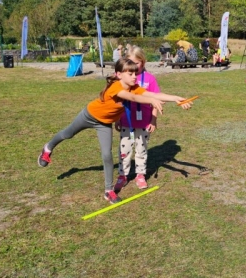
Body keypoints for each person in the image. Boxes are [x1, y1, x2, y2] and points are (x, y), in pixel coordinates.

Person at [37, 58, 194, 204]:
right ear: (119, 74)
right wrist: (152, 101)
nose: (134, 76)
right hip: (89, 115)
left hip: (104, 124)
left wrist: (176, 98)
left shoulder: (134, 87)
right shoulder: (116, 87)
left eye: (135, 73)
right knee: (68, 134)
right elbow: (133, 98)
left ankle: (108, 191)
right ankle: (47, 148)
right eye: (130, 73)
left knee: (107, 155)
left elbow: (152, 94)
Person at [113, 47, 161, 192]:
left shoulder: (150, 79)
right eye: (131, 62)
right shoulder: (124, 77)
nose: (135, 66)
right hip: (126, 121)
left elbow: (156, 99)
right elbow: (118, 100)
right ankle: (123, 175)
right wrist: (117, 119)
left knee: (141, 149)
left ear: (143, 62)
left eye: (138, 62)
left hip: (144, 122)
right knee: (125, 150)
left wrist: (153, 120)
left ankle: (140, 175)